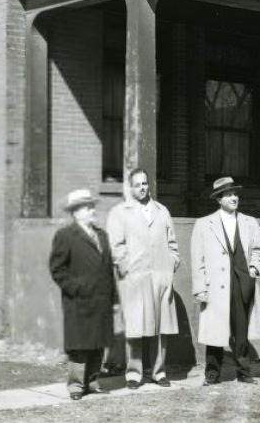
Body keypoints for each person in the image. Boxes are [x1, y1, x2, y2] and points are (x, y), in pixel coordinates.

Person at [106, 168, 180, 389]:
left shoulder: (162, 211)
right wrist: (127, 270)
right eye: (138, 184)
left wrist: (171, 263)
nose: (143, 188)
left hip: (160, 277)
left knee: (160, 327)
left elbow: (172, 244)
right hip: (135, 279)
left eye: (145, 183)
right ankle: (134, 374)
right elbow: (116, 247)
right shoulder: (121, 212)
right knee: (136, 327)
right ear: (130, 187)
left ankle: (158, 372)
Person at [191, 176, 260, 385]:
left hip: (242, 282)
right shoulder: (204, 224)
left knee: (241, 329)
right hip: (215, 286)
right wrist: (199, 288)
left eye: (235, 194)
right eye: (229, 195)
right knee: (215, 330)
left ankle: (244, 372)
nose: (234, 198)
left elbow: (259, 250)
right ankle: (212, 374)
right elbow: (197, 258)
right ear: (219, 199)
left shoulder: (249, 222)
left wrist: (254, 267)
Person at [49, 188, 115, 400]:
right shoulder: (65, 236)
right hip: (78, 301)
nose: (92, 211)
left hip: (101, 300)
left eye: (92, 207)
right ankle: (76, 385)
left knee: (98, 343)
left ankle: (92, 381)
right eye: (87, 207)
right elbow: (57, 269)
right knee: (79, 345)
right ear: (76, 212)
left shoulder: (102, 235)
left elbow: (107, 269)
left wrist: (112, 296)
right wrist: (77, 288)